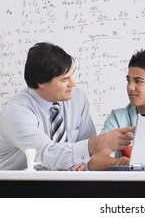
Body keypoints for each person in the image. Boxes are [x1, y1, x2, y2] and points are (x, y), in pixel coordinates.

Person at [0, 42, 134, 171]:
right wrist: (99, 143)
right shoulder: (16, 112)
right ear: (40, 82)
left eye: (71, 75)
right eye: (64, 80)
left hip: (66, 181)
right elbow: (47, 155)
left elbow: (86, 146)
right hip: (16, 185)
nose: (73, 83)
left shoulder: (76, 97)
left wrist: (83, 164)